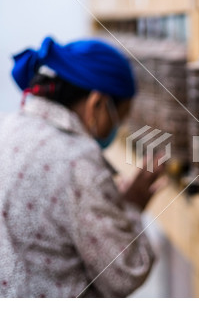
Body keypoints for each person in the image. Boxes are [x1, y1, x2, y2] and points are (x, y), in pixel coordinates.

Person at [0, 36, 163, 297]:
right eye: (117, 119)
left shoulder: (6, 127)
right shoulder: (77, 159)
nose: (115, 130)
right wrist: (131, 206)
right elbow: (124, 273)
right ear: (97, 104)